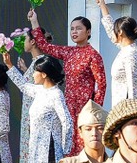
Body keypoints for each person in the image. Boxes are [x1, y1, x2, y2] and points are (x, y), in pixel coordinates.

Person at [28, 8, 108, 154]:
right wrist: (34, 21)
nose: (74, 32)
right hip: (68, 106)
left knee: (85, 147)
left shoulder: (93, 55)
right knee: (67, 146)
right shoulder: (69, 52)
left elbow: (101, 84)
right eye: (72, 29)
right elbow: (46, 47)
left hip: (85, 108)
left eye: (78, 28)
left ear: (88, 32)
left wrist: (94, 110)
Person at [7, 53, 74, 163]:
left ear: (44, 74)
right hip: (37, 149)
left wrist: (65, 150)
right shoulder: (40, 91)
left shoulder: (55, 94)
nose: (33, 75)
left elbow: (67, 121)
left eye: (35, 71)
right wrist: (9, 64)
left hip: (49, 150)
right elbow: (23, 86)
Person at [97, 0, 137, 108]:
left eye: (115, 30)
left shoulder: (131, 53)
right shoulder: (126, 49)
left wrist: (133, 114)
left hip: (127, 109)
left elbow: (133, 86)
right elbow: (111, 31)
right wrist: (102, 6)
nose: (113, 32)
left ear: (120, 32)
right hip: (119, 107)